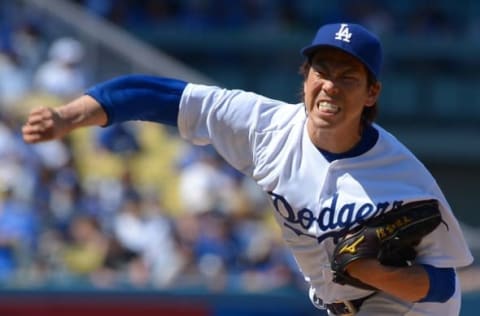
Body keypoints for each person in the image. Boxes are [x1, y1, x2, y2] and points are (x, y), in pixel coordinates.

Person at [22, 22, 473, 315]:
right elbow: (155, 95)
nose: (330, 86)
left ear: (372, 93)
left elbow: (443, 283)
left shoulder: (405, 180)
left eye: (348, 77)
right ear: (305, 75)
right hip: (337, 304)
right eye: (322, 70)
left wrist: (382, 275)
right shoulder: (265, 127)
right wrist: (70, 116)